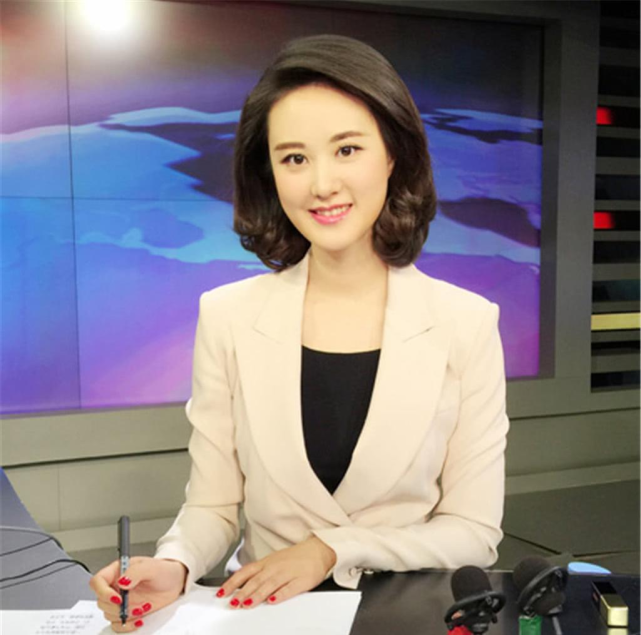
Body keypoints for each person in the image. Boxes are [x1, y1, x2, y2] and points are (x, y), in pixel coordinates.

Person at [90, 33, 509, 632]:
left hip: (408, 616)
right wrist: (175, 564)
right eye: (294, 158)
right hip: (267, 617)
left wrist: (333, 550)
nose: (321, 184)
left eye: (347, 149)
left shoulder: (466, 322)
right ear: (270, 172)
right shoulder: (228, 315)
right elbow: (212, 505)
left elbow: (473, 533)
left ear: (393, 155)